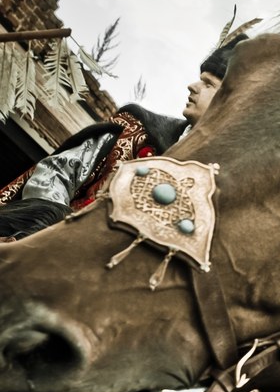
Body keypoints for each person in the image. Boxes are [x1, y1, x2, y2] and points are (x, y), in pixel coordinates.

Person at [0, 34, 246, 240]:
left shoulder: (215, 186)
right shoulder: (135, 130)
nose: (192, 86)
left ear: (230, 102)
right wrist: (53, 224)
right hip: (34, 248)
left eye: (208, 84)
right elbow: (57, 173)